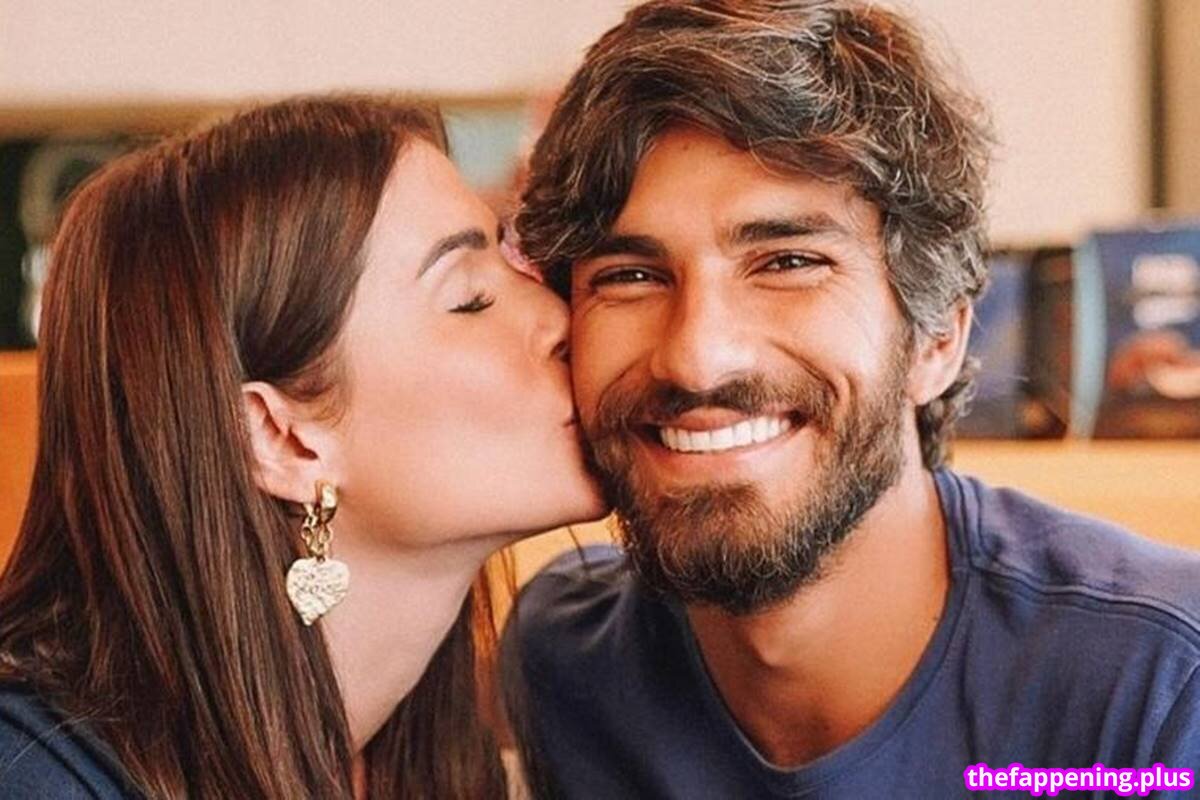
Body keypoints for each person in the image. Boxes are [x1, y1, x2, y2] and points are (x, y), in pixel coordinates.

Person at [502, 1, 1200, 797]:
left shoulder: (1161, 687)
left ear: (937, 339)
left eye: (788, 263)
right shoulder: (566, 658)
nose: (697, 357)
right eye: (630, 276)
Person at [0, 95, 605, 799]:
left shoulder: (427, 757)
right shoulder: (33, 775)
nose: (562, 316)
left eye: (514, 261)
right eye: (470, 298)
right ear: (280, 437)